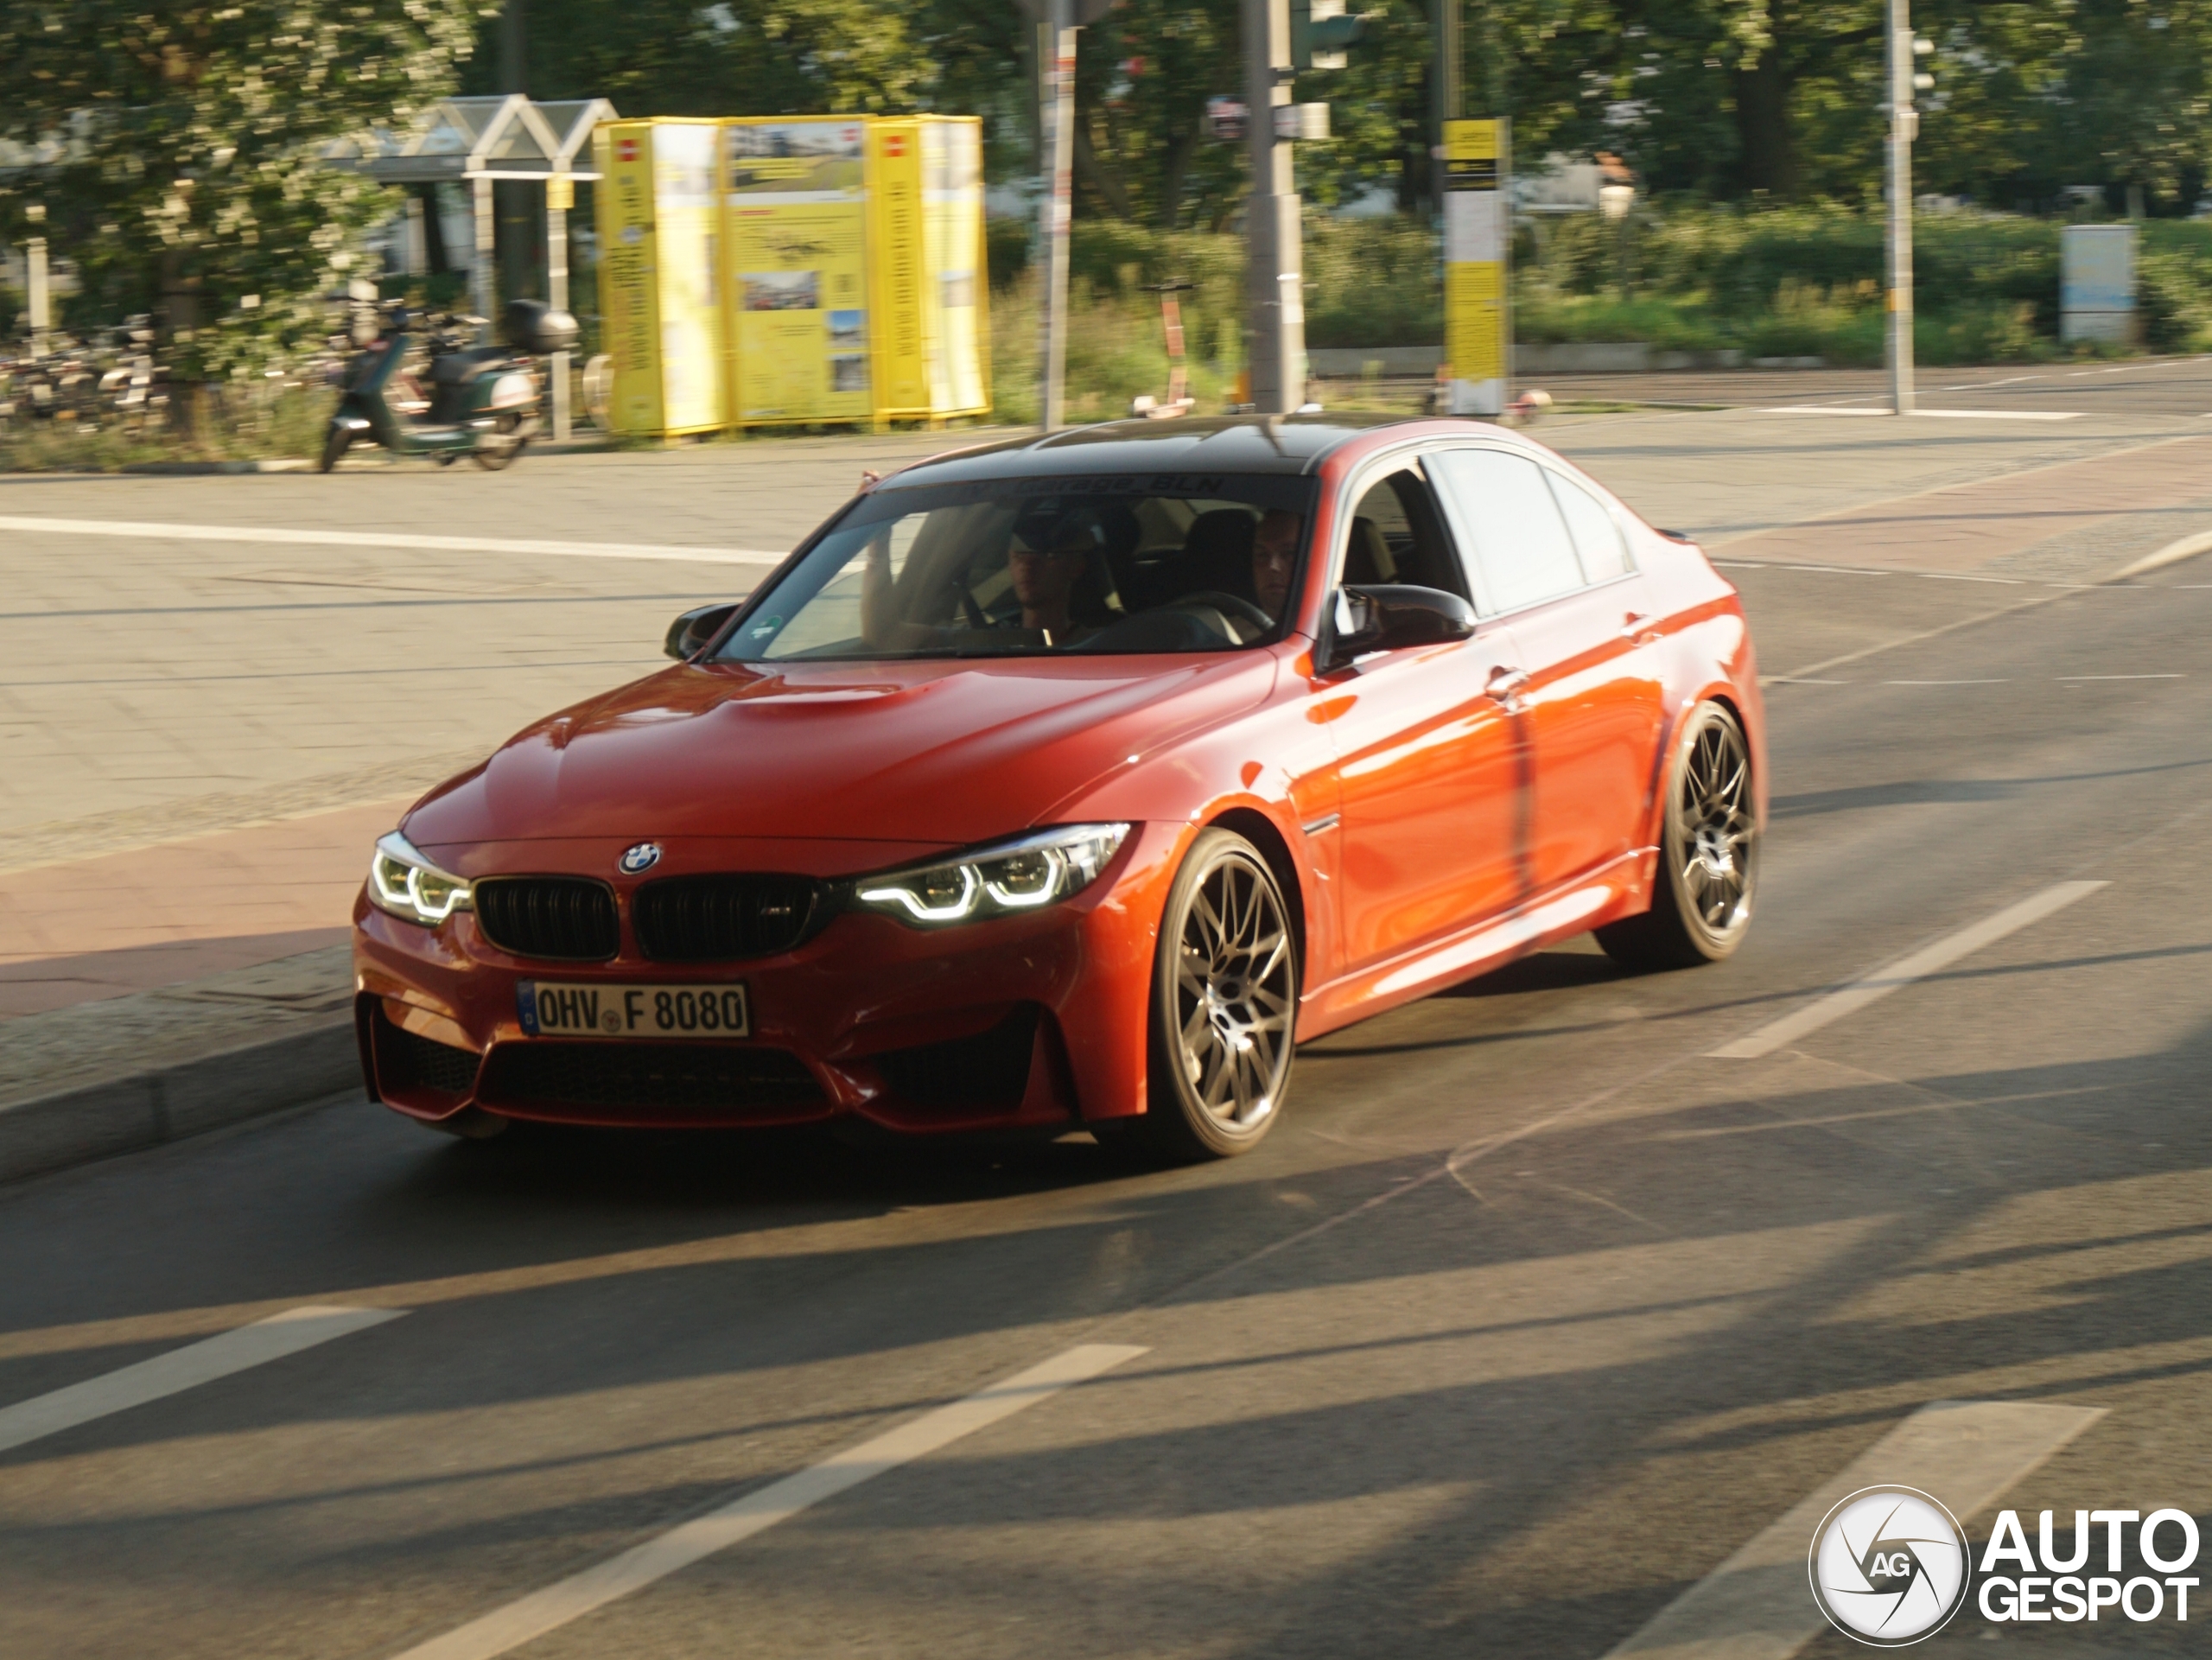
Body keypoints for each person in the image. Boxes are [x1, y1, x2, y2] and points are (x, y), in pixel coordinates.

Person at [1251, 508, 1303, 621]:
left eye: (1289, 553)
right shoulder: (1221, 631)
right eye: (1262, 554)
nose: (1272, 566)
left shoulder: (1345, 627)